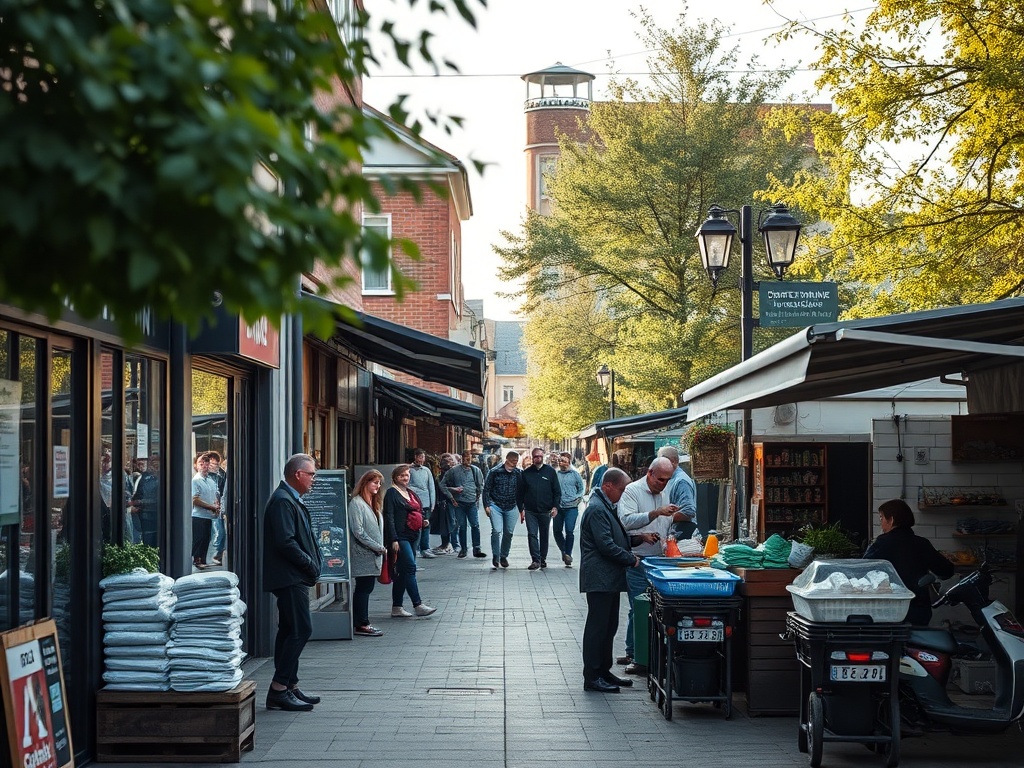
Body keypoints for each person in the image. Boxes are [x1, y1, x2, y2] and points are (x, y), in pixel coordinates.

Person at [580, 467, 659, 693]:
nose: (623, 493)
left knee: (608, 626)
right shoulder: (596, 509)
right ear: (608, 486)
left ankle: (603, 671)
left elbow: (616, 537)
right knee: (598, 627)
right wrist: (631, 559)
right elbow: (605, 545)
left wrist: (637, 539)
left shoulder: (606, 505)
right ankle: (592, 675)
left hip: (609, 578)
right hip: (600, 577)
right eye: (622, 489)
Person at [263, 453, 323, 712]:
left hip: (293, 575)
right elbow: (285, 542)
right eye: (311, 474)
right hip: (290, 577)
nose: (314, 480)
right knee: (301, 629)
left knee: (290, 629)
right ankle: (278, 689)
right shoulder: (282, 501)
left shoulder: (289, 499)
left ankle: (289, 685)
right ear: (298, 474)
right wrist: (309, 564)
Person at [616, 457, 684, 675]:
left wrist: (667, 539)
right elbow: (625, 521)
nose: (663, 484)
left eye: (667, 480)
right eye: (660, 479)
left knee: (647, 608)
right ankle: (638, 657)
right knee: (640, 607)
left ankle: (633, 650)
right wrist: (655, 513)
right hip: (637, 558)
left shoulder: (664, 492)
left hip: (658, 560)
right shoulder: (632, 491)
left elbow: (664, 523)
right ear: (650, 473)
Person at [864, 498, 954, 625]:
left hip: (889, 610)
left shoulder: (882, 543)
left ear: (891, 520)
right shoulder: (922, 543)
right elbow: (947, 571)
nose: (881, 524)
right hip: (919, 611)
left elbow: (863, 569)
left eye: (881, 518)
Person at [384, 464, 437, 618]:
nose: (405, 478)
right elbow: (389, 517)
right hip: (400, 537)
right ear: (395, 477)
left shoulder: (410, 492)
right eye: (402, 475)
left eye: (407, 475)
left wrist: (423, 521)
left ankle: (397, 607)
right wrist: (393, 538)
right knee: (410, 567)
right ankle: (418, 605)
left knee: (402, 572)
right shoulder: (391, 493)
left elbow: (418, 510)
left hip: (414, 535)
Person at [348, 469, 388, 637]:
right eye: (374, 482)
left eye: (379, 483)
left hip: (373, 555)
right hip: (363, 554)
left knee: (366, 588)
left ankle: (361, 621)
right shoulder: (356, 503)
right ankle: (361, 623)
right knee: (364, 588)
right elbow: (358, 531)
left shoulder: (373, 502)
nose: (377, 486)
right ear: (365, 483)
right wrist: (378, 547)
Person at [519, 446, 561, 570]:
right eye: (536, 456)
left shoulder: (550, 472)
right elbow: (520, 493)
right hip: (530, 510)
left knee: (544, 535)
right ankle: (535, 560)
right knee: (532, 534)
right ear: (532, 458)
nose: (538, 458)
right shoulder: (526, 473)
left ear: (543, 457)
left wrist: (555, 506)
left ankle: (543, 559)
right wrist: (521, 509)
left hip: (545, 510)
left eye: (540, 456)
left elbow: (557, 491)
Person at [440, 450, 487, 559]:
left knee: (475, 525)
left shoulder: (476, 470)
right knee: (462, 526)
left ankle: (477, 548)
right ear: (461, 458)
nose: (468, 460)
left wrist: (477, 496)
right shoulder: (454, 471)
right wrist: (451, 495)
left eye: (470, 458)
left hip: (471, 503)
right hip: (459, 503)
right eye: (466, 458)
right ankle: (463, 548)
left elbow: (481, 485)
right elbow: (442, 484)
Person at [482, 450, 524, 570]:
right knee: (496, 530)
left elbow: (521, 492)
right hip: (496, 505)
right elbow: (487, 489)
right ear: (507, 459)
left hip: (512, 506)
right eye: (512, 461)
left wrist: (522, 509)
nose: (514, 463)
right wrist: (487, 505)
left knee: (509, 532)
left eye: (516, 461)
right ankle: (496, 556)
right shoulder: (495, 472)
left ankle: (503, 556)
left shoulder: (519, 473)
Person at [658, 445, 699, 540]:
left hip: (682, 533)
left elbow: (688, 511)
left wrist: (664, 518)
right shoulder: (671, 479)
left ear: (674, 461)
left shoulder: (681, 481)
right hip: (675, 531)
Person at [554, 451, 585, 567]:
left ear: (569, 462)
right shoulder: (555, 474)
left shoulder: (575, 474)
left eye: (564, 461)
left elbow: (581, 488)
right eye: (560, 461)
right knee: (556, 530)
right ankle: (563, 551)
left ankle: (568, 554)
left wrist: (577, 498)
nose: (562, 463)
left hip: (571, 507)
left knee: (569, 530)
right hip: (558, 506)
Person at [190, 451, 220, 570]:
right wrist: (211, 507)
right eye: (201, 464)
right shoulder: (196, 480)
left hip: (209, 515)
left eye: (206, 463)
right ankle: (197, 560)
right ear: (196, 465)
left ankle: (203, 559)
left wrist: (216, 504)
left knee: (207, 538)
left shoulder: (211, 480)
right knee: (199, 538)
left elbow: (214, 495)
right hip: (199, 515)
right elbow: (195, 500)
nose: (204, 466)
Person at [407, 449, 437, 559]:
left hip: (426, 502)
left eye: (423, 457)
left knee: (426, 525)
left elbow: (431, 487)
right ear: (415, 457)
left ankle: (425, 548)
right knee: (416, 525)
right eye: (419, 457)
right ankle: (416, 549)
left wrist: (432, 503)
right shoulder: (409, 470)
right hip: (414, 502)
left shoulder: (427, 471)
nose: (421, 459)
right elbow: (407, 485)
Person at [129, 456, 161, 548]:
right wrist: (135, 503)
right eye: (152, 461)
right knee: (148, 541)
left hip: (158, 514)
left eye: (156, 461)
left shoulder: (163, 476)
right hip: (145, 515)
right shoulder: (145, 476)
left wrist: (139, 502)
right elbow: (138, 493)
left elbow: (160, 498)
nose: (154, 464)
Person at [433, 453, 461, 554]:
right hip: (444, 502)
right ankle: (446, 544)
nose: (447, 463)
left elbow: (459, 487)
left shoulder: (455, 474)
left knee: (453, 524)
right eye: (445, 461)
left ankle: (454, 545)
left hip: (454, 501)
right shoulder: (441, 475)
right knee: (445, 524)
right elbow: (440, 487)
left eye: (449, 461)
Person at [208, 452, 228, 566]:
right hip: (210, 508)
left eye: (214, 464)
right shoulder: (204, 476)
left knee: (219, 531)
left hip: (218, 508)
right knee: (216, 531)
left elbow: (223, 492)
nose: (211, 466)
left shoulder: (221, 475)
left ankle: (217, 554)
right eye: (210, 463)